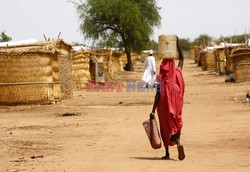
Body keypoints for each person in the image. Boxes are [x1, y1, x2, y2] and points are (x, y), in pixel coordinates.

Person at [150, 37, 185, 160]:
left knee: (165, 126)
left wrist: (153, 110)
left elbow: (157, 95)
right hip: (176, 106)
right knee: (175, 123)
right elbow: (182, 60)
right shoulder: (176, 73)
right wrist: (177, 45)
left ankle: (167, 153)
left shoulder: (160, 78)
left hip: (163, 107)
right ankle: (177, 141)